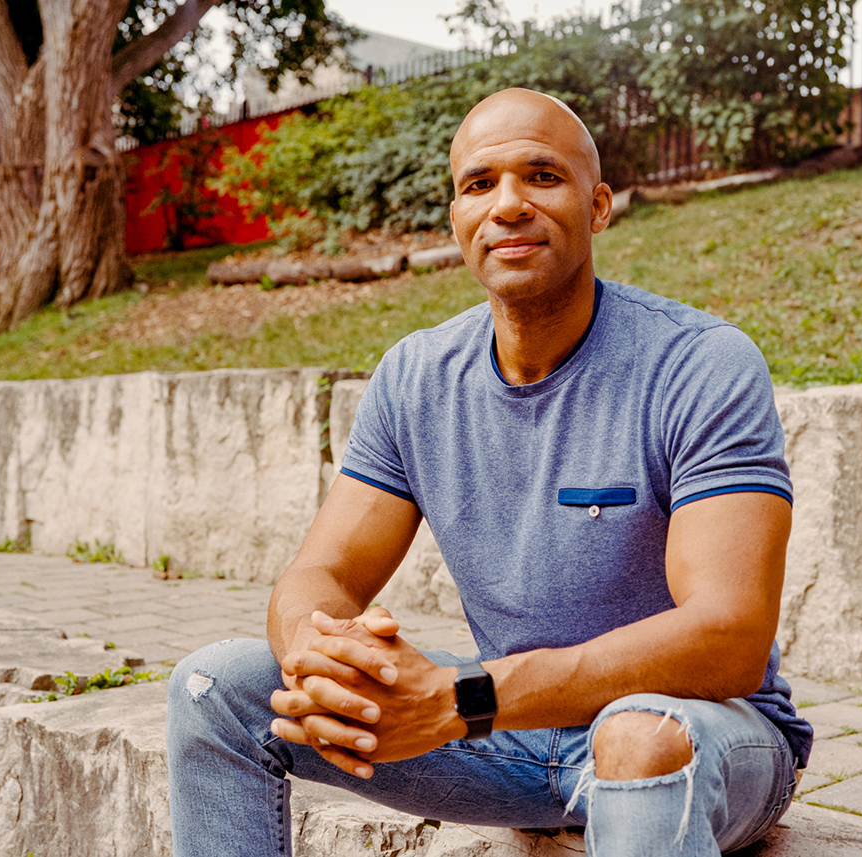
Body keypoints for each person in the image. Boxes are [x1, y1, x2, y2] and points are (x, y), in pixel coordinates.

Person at [166, 87, 812, 857]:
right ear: (456, 220)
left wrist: (470, 696)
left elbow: (730, 635)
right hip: (506, 735)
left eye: (542, 176)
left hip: (696, 733)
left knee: (637, 737)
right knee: (216, 687)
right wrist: (318, 645)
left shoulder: (698, 363)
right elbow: (325, 569)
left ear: (598, 206)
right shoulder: (416, 376)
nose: (508, 205)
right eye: (480, 184)